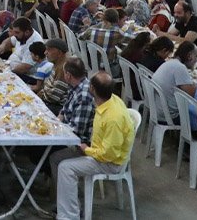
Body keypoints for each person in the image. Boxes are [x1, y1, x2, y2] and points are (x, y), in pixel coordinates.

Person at [50, 72, 134, 220]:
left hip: (109, 163)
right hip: (98, 150)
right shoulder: (110, 100)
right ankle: (67, 204)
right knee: (56, 158)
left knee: (66, 168)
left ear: (93, 89)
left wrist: (86, 149)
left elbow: (109, 155)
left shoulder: (113, 118)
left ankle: (69, 216)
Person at [152, 41, 197, 122]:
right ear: (189, 56)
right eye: (196, 56)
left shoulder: (170, 62)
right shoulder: (180, 68)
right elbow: (192, 95)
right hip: (168, 115)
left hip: (156, 108)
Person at [57, 57, 95, 145]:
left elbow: (76, 131)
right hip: (66, 127)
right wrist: (57, 121)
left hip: (77, 142)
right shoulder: (76, 85)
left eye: (64, 73)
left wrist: (56, 130)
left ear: (68, 75)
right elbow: (64, 110)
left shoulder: (84, 96)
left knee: (41, 148)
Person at [34, 39, 73, 113]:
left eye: (48, 50)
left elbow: (54, 97)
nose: (45, 53)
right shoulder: (57, 64)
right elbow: (48, 88)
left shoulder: (63, 69)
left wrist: (41, 94)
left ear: (59, 52)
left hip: (58, 107)